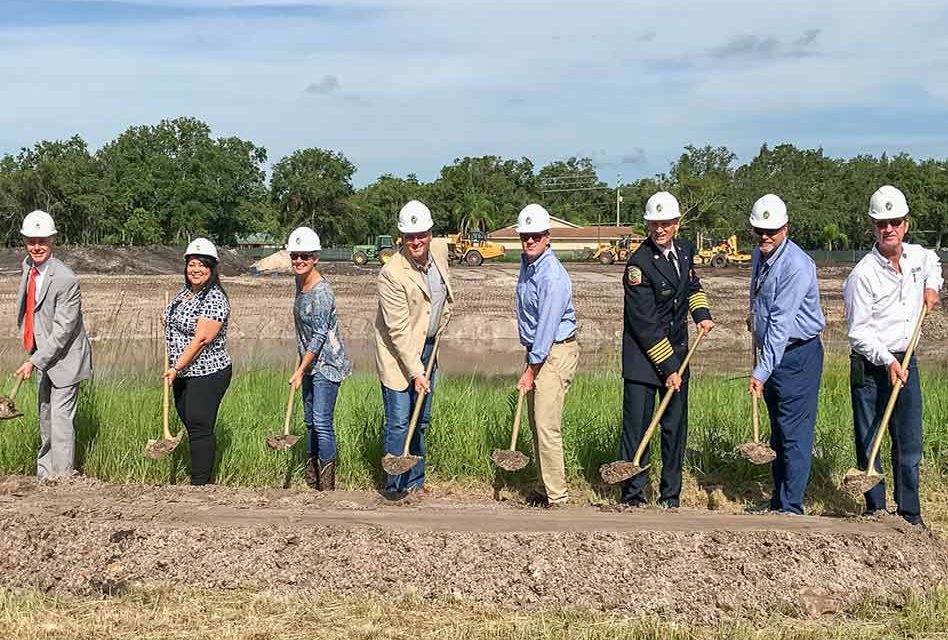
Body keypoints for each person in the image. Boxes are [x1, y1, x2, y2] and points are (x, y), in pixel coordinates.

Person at [843, 185, 941, 526]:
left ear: (905, 224)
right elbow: (858, 332)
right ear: (873, 227)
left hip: (906, 356)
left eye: (895, 221)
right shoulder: (862, 275)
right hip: (871, 365)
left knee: (909, 443)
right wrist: (888, 361)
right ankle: (876, 514)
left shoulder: (918, 257)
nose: (889, 228)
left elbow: (935, 263)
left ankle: (910, 516)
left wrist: (932, 286)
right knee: (872, 441)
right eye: (882, 223)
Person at [619, 192, 713, 508]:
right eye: (654, 224)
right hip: (644, 360)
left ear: (676, 223)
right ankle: (633, 495)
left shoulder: (685, 251)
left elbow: (692, 287)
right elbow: (645, 325)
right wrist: (669, 368)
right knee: (638, 430)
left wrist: (702, 315)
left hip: (678, 354)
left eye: (665, 224)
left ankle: (671, 496)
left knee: (674, 428)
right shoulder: (638, 264)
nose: (659, 230)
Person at [747, 194, 825, 515]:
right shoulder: (759, 254)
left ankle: (791, 510)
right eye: (759, 230)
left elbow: (781, 322)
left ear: (786, 229)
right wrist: (753, 321)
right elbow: (762, 302)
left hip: (797, 357)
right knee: (778, 433)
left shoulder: (796, 266)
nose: (765, 236)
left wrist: (760, 372)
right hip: (773, 354)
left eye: (772, 231)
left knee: (794, 436)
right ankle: (777, 503)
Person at [374, 200, 453, 496]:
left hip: (429, 348)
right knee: (399, 421)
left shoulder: (440, 252)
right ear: (401, 238)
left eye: (421, 234)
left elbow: (444, 294)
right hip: (398, 354)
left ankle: (416, 482)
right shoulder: (391, 274)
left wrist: (441, 323)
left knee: (422, 419)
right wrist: (416, 373)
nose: (416, 241)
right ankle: (395, 486)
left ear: (431, 233)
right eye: (409, 236)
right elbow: (399, 333)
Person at [15, 210, 93, 477]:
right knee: (45, 415)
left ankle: (62, 478)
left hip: (67, 358)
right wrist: (32, 349)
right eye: (31, 241)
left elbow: (63, 330)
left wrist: (33, 361)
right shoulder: (28, 266)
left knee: (61, 420)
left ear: (53, 241)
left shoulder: (66, 279)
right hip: (42, 354)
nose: (36, 247)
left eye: (42, 241)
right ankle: (45, 474)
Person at [515, 204, 579, 509]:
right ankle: (544, 486)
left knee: (546, 425)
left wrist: (530, 369)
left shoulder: (552, 276)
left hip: (554, 352)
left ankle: (558, 497)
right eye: (525, 236)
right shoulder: (528, 265)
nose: (529, 241)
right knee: (536, 422)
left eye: (535, 236)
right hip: (538, 352)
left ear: (547, 237)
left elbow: (546, 326)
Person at [163, 238, 232, 486]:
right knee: (191, 422)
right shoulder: (184, 294)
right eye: (192, 264)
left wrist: (176, 367)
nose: (196, 269)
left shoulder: (214, 299)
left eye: (202, 265)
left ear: (212, 268)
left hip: (208, 372)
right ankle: (201, 476)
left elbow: (202, 339)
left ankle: (201, 483)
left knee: (200, 425)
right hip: (183, 372)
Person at [286, 226, 351, 491]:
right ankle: (312, 479)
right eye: (295, 256)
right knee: (310, 421)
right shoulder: (299, 283)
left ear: (316, 258)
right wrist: (302, 362)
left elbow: (319, 336)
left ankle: (327, 486)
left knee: (322, 423)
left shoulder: (323, 293)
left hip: (327, 364)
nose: (299, 260)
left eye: (304, 256)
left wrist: (301, 368)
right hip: (309, 362)